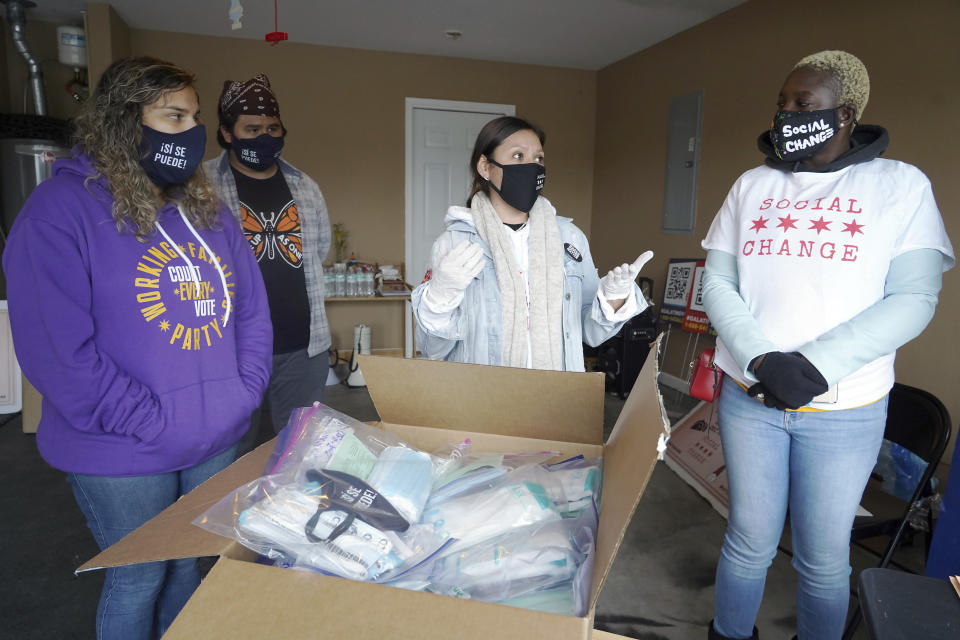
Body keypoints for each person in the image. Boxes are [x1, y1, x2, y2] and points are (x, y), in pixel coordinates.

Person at [2, 57, 273, 640]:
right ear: (125, 122)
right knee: (139, 577)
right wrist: (148, 419)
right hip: (122, 447)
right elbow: (57, 353)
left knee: (185, 565)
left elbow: (251, 311)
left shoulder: (210, 213)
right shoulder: (57, 213)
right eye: (173, 116)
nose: (191, 133)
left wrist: (241, 393)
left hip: (213, 435)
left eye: (195, 118)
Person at [701, 51, 953, 640]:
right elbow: (718, 281)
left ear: (845, 114)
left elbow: (914, 298)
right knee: (747, 541)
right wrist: (761, 358)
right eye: (782, 103)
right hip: (750, 397)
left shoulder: (900, 186)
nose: (787, 114)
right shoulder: (752, 185)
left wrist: (814, 367)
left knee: (821, 558)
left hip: (845, 409)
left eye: (803, 105)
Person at [412, 116, 652, 371]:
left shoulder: (569, 239)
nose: (532, 167)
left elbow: (590, 334)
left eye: (538, 158)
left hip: (555, 397)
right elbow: (432, 350)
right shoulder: (455, 243)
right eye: (518, 156)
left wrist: (614, 300)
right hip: (481, 398)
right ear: (485, 166)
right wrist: (440, 297)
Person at [204, 73, 332, 449]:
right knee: (231, 453)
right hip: (230, 350)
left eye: (272, 127)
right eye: (252, 128)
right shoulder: (199, 185)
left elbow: (318, 250)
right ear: (227, 133)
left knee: (298, 451)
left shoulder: (305, 187)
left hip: (302, 348)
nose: (264, 136)